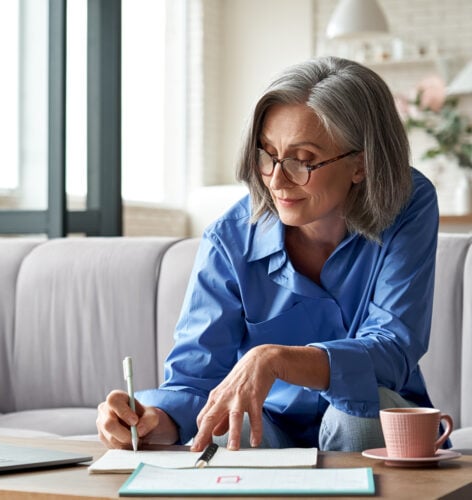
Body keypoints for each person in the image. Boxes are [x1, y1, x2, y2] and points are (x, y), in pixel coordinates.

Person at [96, 56, 439, 453]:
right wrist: (152, 421)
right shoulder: (229, 239)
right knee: (231, 425)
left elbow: (393, 347)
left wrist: (276, 359)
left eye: (302, 160)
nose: (276, 181)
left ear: (360, 165)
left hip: (370, 418)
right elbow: (195, 379)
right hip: (269, 423)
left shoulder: (408, 203)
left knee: (355, 411)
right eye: (267, 155)